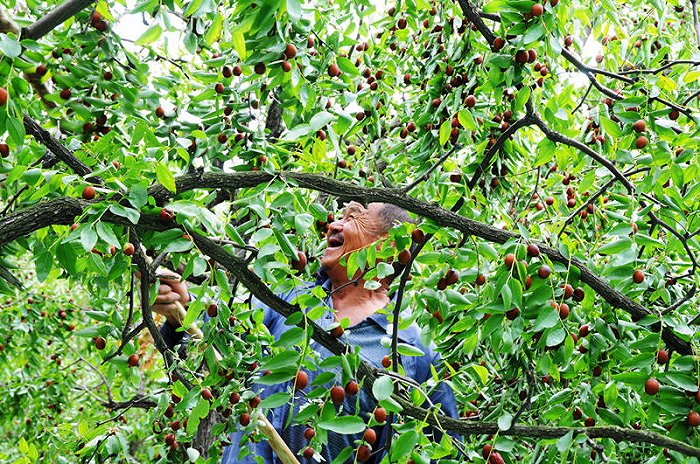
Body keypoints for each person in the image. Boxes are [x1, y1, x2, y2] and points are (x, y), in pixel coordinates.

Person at [153, 201, 459, 463]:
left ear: (389, 246)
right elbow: (219, 336)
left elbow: (449, 448)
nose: (333, 226)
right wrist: (183, 305)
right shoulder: (284, 299)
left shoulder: (413, 351)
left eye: (352, 218)